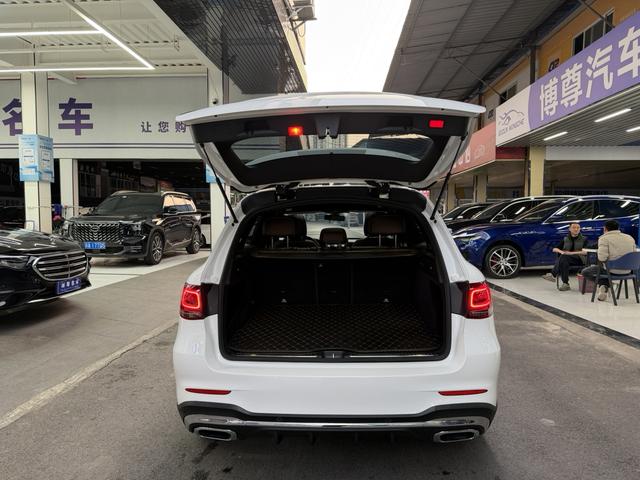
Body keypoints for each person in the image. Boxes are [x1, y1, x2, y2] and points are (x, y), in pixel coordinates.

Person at [581, 220, 636, 301]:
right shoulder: (630, 238)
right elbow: (633, 254)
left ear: (605, 228)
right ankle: (607, 285)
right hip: (628, 270)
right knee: (602, 268)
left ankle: (608, 284)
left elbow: (602, 258)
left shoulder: (604, 238)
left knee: (585, 272)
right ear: (618, 228)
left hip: (612, 270)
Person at [542, 222, 587, 290]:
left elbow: (585, 252)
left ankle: (553, 275)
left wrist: (570, 253)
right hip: (567, 259)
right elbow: (554, 249)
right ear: (569, 229)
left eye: (578, 228)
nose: (576, 229)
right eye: (574, 227)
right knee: (564, 260)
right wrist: (562, 252)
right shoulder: (566, 239)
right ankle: (565, 284)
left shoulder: (584, 239)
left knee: (564, 257)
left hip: (580, 259)